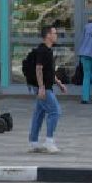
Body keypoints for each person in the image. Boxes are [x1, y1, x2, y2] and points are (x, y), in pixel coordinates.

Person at [27, 23, 67, 153]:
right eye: (54, 33)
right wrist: (41, 87)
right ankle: (49, 141)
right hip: (43, 88)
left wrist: (59, 83)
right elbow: (39, 69)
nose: (56, 36)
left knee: (39, 113)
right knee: (55, 111)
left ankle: (33, 142)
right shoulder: (42, 50)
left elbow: (49, 71)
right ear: (48, 35)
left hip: (46, 86)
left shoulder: (48, 50)